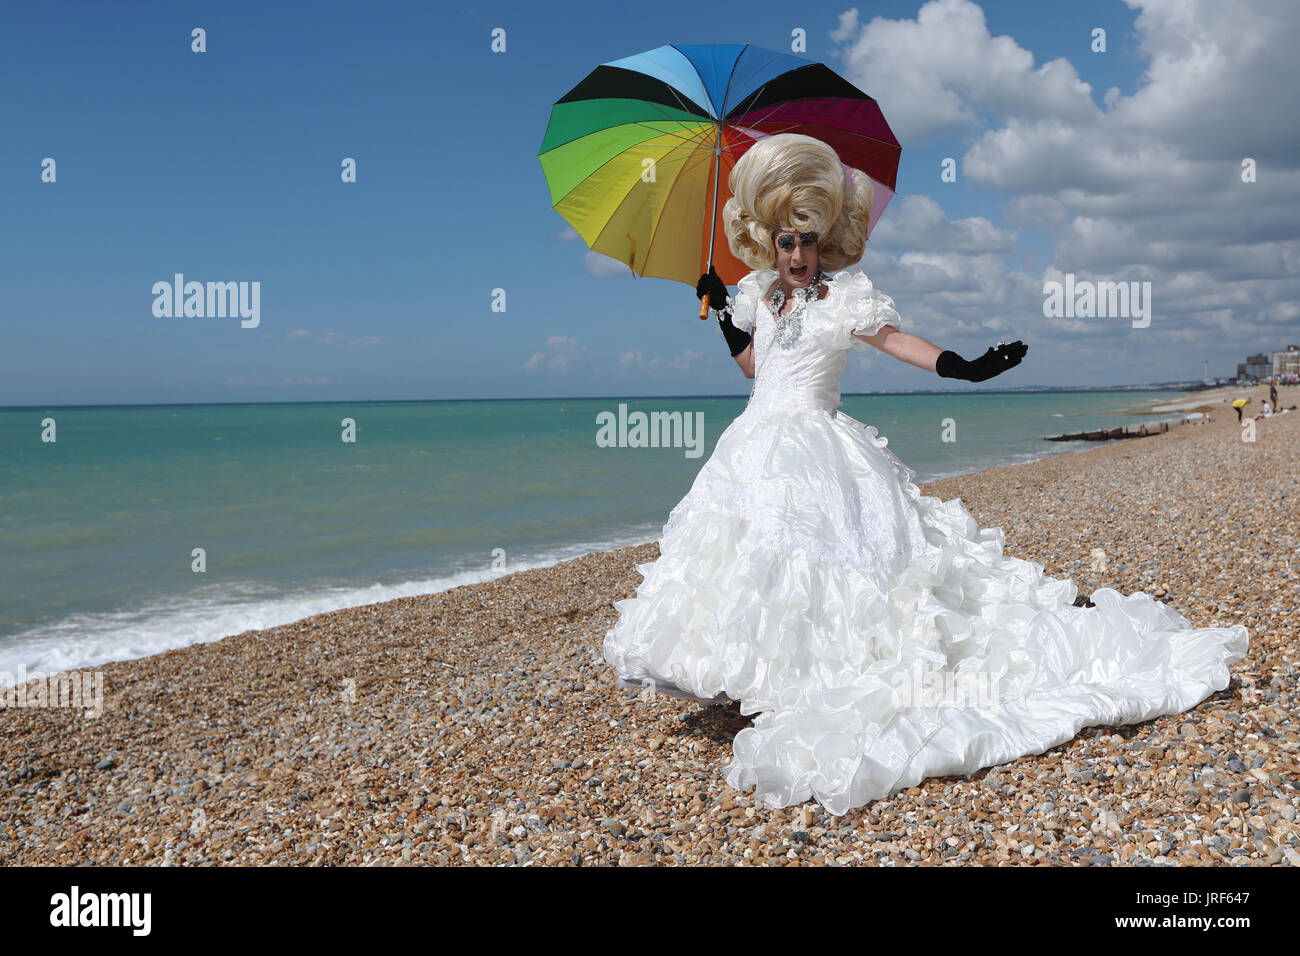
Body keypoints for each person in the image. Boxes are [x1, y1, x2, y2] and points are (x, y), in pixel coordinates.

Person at [603, 132, 1250, 816]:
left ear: (822, 240)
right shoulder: (758, 296)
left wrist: (964, 366)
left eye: (807, 240)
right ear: (768, 240)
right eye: (785, 241)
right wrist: (724, 322)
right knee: (745, 559)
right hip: (753, 444)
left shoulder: (842, 298)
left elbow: (897, 342)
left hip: (821, 450)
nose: (796, 254)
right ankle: (746, 676)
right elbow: (757, 371)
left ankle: (807, 679)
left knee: (828, 564)